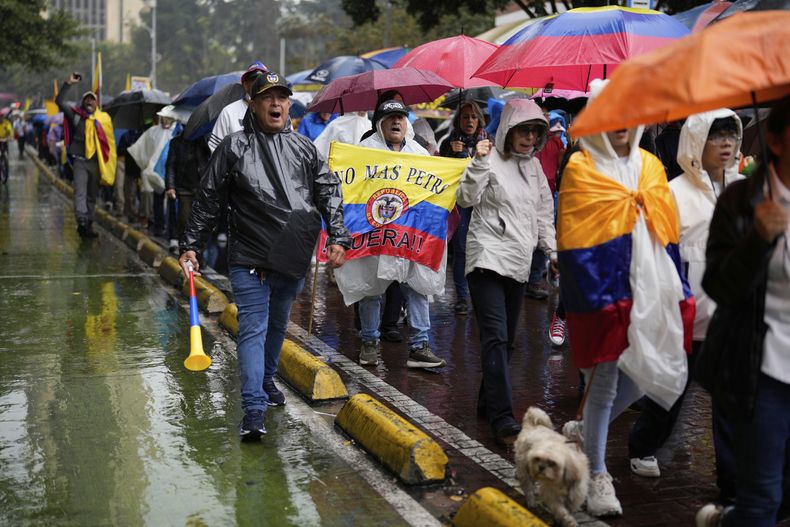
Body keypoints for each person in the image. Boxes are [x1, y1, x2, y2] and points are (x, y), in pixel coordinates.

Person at [178, 72, 350, 440]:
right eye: (268, 97)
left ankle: (268, 380)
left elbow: (328, 191)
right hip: (250, 258)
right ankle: (253, 408)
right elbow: (208, 199)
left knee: (277, 326)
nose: (276, 103)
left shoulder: (305, 148)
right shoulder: (233, 147)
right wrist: (191, 244)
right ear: (253, 104)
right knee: (253, 329)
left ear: (289, 104)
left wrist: (338, 235)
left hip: (293, 258)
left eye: (282, 97)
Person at [557, 80, 693, 518]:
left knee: (644, 375)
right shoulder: (581, 167)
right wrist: (594, 295)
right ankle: (597, 473)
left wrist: (675, 286)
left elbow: (667, 228)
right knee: (605, 381)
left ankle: (584, 430)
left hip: (651, 286)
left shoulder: (650, 166)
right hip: (602, 290)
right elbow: (575, 238)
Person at [629, 110, 744, 479]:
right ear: (697, 142)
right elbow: (659, 251)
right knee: (672, 389)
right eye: (716, 136)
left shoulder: (745, 190)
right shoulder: (674, 193)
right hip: (686, 313)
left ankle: (730, 479)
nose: (725, 144)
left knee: (729, 400)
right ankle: (643, 445)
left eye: (730, 135)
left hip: (732, 315)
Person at [695, 95, 790, 527]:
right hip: (761, 372)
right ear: (776, 141)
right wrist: (758, 240)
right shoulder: (741, 201)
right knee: (762, 498)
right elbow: (719, 285)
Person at [457, 99, 556, 443]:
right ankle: (502, 417)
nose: (529, 138)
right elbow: (465, 198)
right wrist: (478, 162)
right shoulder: (487, 158)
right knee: (496, 337)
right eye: (523, 131)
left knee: (507, 341)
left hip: (518, 263)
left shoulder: (535, 168)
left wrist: (552, 252)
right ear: (508, 131)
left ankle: (487, 403)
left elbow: (543, 214)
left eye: (535, 132)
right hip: (486, 259)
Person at [336, 99, 446, 369]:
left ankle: (420, 346)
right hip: (374, 233)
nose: (396, 122)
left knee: (417, 286)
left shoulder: (419, 153)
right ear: (380, 123)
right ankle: (369, 343)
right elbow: (348, 188)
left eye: (401, 117)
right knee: (370, 288)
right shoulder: (364, 151)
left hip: (408, 235)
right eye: (391, 118)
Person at [440, 101, 488, 316]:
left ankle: (480, 296)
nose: (469, 121)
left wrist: (472, 157)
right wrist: (452, 155)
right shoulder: (449, 143)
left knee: (480, 249)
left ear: (479, 120)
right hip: (458, 204)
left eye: (473, 117)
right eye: (465, 117)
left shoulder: (487, 143)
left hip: (482, 204)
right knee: (460, 249)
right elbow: (440, 173)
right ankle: (461, 296)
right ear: (458, 120)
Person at [56, 73, 116, 238]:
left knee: (91, 195)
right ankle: (81, 220)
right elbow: (59, 101)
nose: (89, 101)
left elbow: (109, 143)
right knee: (80, 192)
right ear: (83, 102)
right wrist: (68, 83)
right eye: (87, 99)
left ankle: (88, 224)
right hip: (80, 161)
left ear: (97, 103)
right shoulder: (76, 116)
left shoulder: (103, 119)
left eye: (92, 99)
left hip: (96, 163)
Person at [208, 61, 268, 153]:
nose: (258, 84)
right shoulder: (229, 112)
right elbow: (214, 149)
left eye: (262, 80)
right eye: (254, 80)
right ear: (246, 85)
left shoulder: (277, 112)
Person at [166, 132, 210, 254]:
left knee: (200, 221)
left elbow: (209, 158)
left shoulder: (202, 141)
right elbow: (170, 165)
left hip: (200, 187)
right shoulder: (176, 142)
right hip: (183, 188)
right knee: (184, 220)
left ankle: (197, 250)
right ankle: (185, 248)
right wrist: (170, 186)